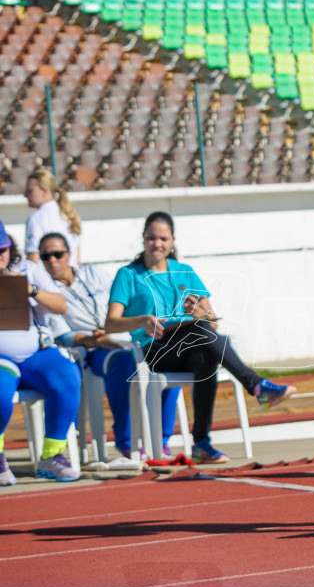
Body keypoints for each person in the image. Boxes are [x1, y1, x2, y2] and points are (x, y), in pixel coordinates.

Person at [104, 211, 296, 464]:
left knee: (205, 352)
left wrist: (200, 312)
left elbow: (212, 322)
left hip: (190, 344)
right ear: (143, 239)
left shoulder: (185, 272)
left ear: (172, 241)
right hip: (155, 350)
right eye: (152, 238)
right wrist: (142, 320)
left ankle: (202, 443)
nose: (157, 244)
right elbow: (110, 323)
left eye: (163, 238)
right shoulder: (128, 275)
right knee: (203, 335)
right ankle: (256, 386)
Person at [39, 233, 183, 458]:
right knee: (123, 362)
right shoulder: (45, 292)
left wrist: (118, 327)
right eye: (45, 257)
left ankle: (162, 439)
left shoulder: (93, 273)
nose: (52, 261)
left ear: (69, 253)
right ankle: (125, 439)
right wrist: (95, 340)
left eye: (57, 254)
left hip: (127, 337)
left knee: (168, 357)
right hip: (93, 351)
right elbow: (64, 336)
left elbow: (121, 300)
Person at [0, 218, 81, 486]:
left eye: (2, 251)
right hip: (3, 360)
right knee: (1, 390)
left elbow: (61, 305)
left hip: (36, 353)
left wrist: (30, 290)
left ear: (10, 246)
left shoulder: (28, 268)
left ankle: (52, 456)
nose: (0, 259)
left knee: (67, 377)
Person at [23, 167, 83, 266]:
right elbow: (77, 260)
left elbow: (33, 260)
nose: (25, 195)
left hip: (47, 279)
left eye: (30, 191)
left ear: (45, 191)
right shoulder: (70, 215)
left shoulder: (36, 218)